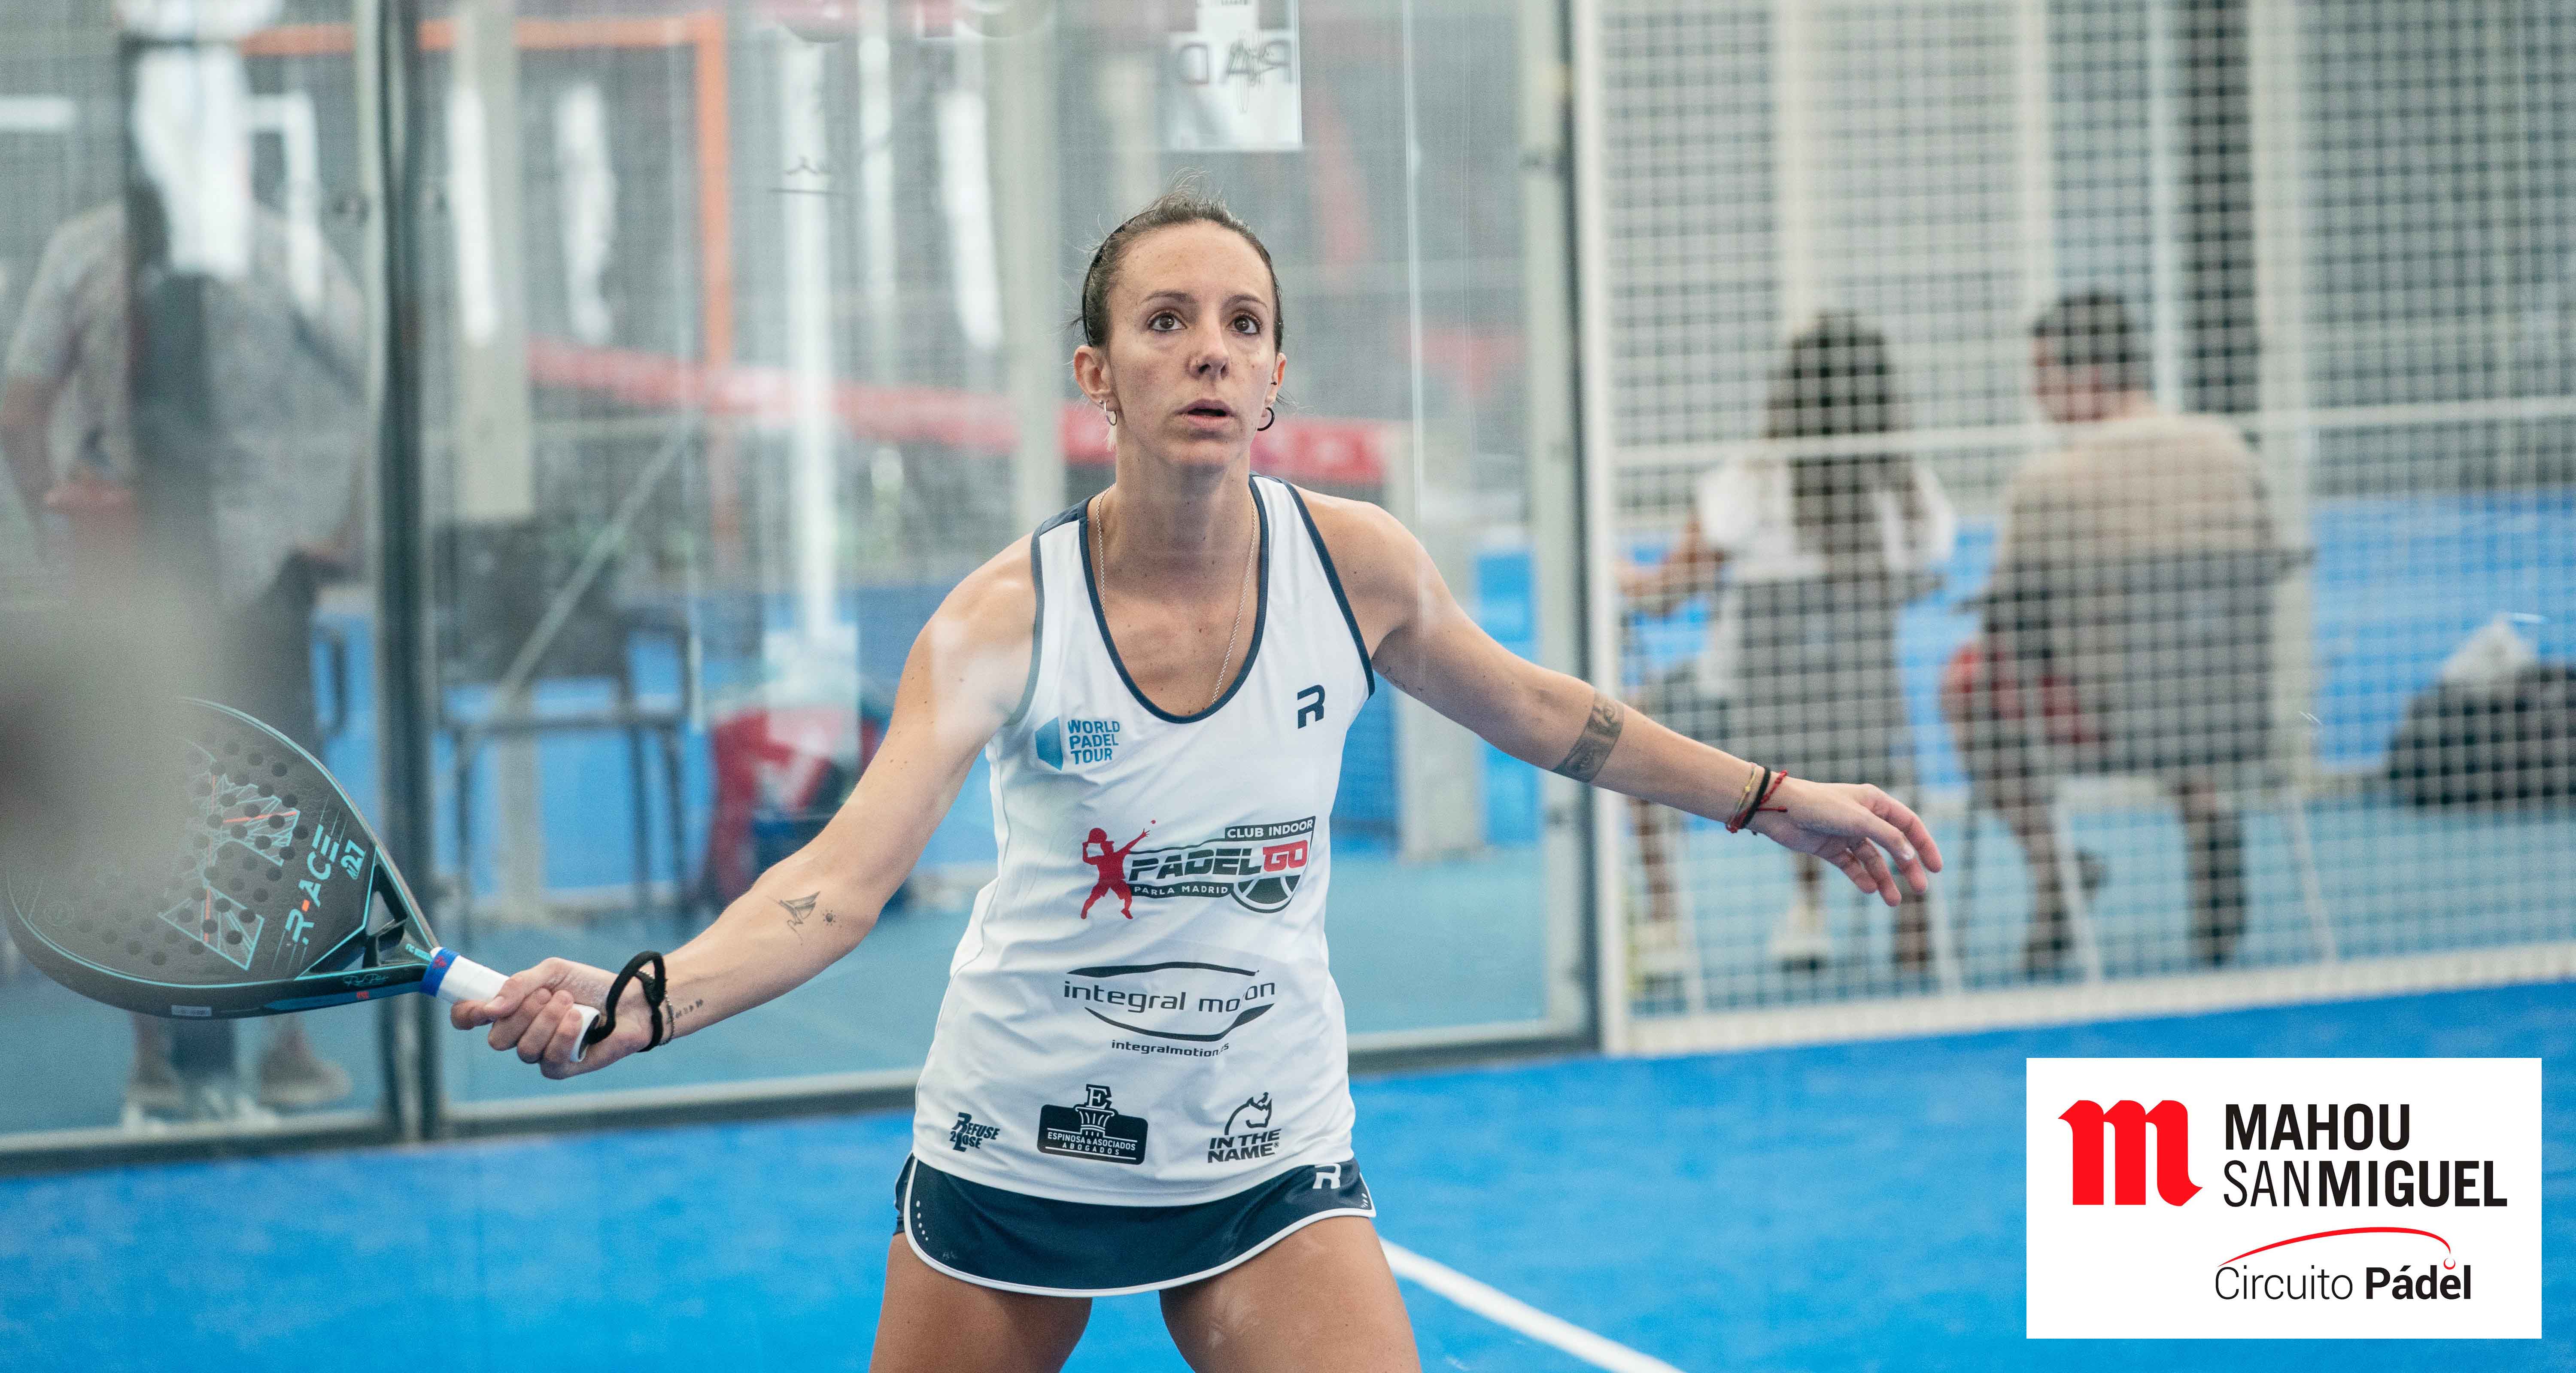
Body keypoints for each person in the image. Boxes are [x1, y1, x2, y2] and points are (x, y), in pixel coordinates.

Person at [453, 188, 1941, 1373]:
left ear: (1278, 376)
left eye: (1243, 324)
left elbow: (1549, 713)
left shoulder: (1359, 566)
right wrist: (650, 998)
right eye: (1165, 322)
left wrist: (1772, 799)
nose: (1210, 351)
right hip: (1020, 1138)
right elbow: (838, 885)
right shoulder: (1000, 618)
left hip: (1264, 1139)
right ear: (1097, 376)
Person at [0, 188, 367, 1119]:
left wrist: (57, 527)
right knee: (273, 804)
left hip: (147, 572)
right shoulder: (281, 251)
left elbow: (21, 407)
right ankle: (273, 1044)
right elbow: (373, 380)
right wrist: (346, 526)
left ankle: (162, 1054)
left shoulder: (88, 248)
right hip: (245, 568)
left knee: (153, 804)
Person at [1939, 291, 2277, 976]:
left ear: (2088, 376)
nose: (2034, 392)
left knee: (1967, 682)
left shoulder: (2048, 482)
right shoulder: (2231, 450)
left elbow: (2005, 609)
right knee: (2177, 651)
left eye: (2043, 372)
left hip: (2110, 715)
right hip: (2229, 707)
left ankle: (2054, 867)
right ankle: (2206, 811)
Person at [1624, 315, 1956, 975]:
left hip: (1743, 719)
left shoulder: (1746, 484)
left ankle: (1666, 926)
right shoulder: (1909, 493)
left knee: (1633, 727)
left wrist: (1613, 574)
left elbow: (1663, 596)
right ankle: (1864, 917)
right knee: (1836, 735)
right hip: (1862, 723)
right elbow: (1929, 577)